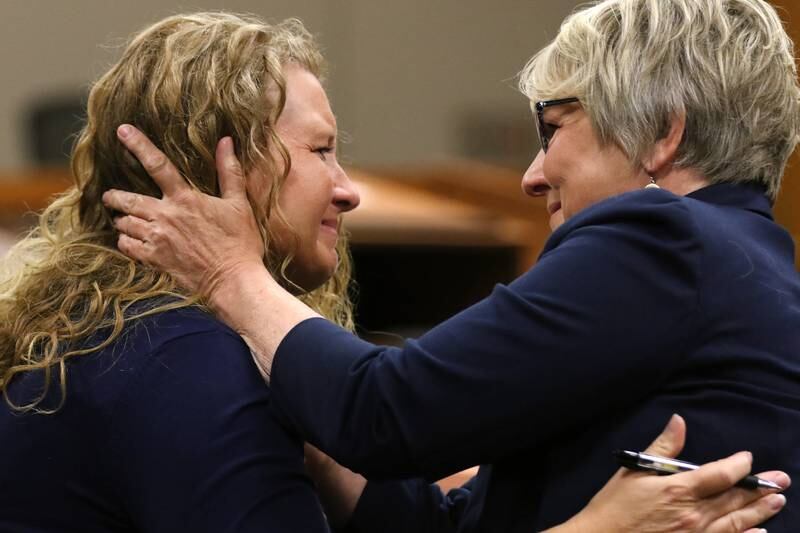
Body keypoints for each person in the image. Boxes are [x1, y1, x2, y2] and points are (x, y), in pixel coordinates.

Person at [0, 9, 780, 533]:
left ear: (664, 136)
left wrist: (236, 278)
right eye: (322, 149)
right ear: (220, 168)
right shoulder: (180, 356)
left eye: (555, 129)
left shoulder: (663, 237)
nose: (532, 175)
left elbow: (387, 409)